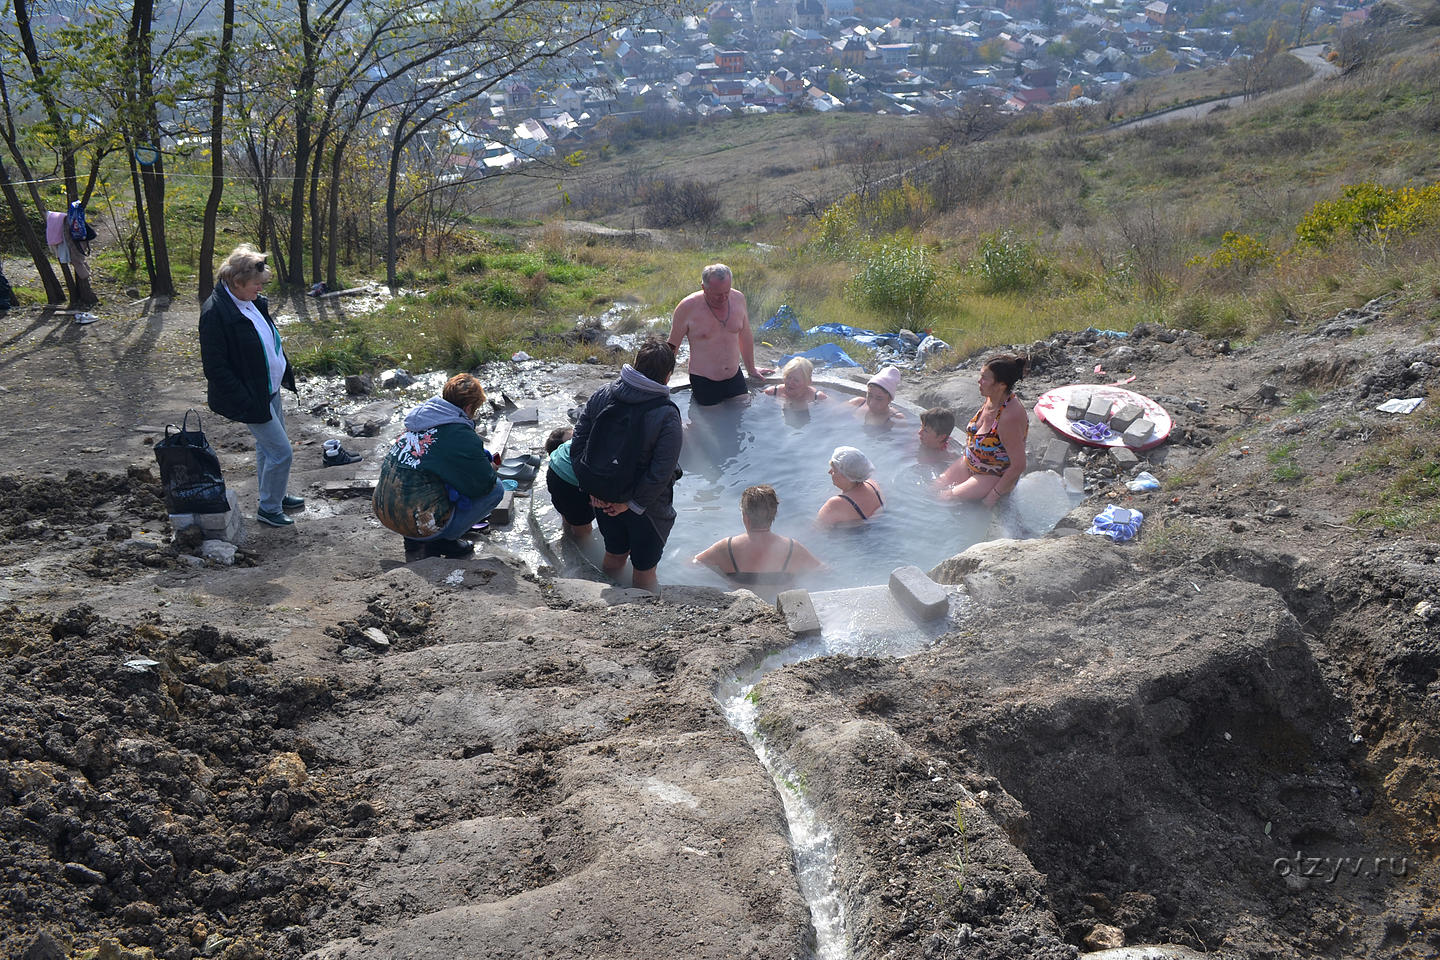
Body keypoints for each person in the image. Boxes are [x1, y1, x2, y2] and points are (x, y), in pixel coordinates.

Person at [198, 244, 304, 527]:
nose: (260, 289)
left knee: (266, 449)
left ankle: (274, 495)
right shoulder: (215, 314)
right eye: (256, 284)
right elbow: (216, 369)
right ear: (236, 282)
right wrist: (246, 401)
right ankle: (269, 509)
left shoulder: (250, 301)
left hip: (269, 390)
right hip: (252, 397)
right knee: (281, 452)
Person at [571, 338, 683, 592]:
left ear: (634, 364)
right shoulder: (667, 414)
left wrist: (591, 487)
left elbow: (578, 443)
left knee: (614, 555)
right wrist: (631, 504)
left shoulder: (603, 394)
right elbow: (661, 472)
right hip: (646, 509)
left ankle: (606, 600)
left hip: (602, 498)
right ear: (667, 377)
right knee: (644, 570)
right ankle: (641, 619)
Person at [372, 373, 504, 561]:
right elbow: (483, 485)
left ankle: (412, 539)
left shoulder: (421, 419)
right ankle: (442, 540)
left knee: (418, 478)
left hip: (384, 511)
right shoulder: (459, 433)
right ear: (468, 408)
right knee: (496, 489)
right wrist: (490, 468)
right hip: (416, 522)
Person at [667, 263, 772, 406]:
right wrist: (662, 379)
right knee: (711, 422)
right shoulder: (687, 308)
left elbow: (745, 335)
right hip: (704, 379)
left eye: (726, 292)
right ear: (704, 288)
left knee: (743, 411)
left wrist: (751, 368)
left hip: (733, 375)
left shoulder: (739, 299)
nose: (723, 298)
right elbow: (672, 346)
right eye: (717, 295)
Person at [936, 354, 1030, 507]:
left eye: (985, 378)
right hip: (971, 462)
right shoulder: (991, 398)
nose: (979, 381)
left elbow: (1019, 465)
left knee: (945, 499)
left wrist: (993, 495)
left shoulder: (1009, 417)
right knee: (933, 488)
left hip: (992, 475)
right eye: (980, 376)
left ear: (1002, 385)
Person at [694, 484, 823, 586]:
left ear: (745, 516)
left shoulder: (727, 547)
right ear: (773, 514)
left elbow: (695, 564)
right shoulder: (791, 548)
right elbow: (822, 571)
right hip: (781, 607)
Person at [817, 445, 885, 526]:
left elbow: (816, 531)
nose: (829, 472)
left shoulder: (835, 504)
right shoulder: (873, 484)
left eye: (834, 470)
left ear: (846, 476)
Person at [543, 426, 593, 536]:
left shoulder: (558, 458)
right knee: (583, 531)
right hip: (570, 485)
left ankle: (567, 536)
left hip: (555, 474)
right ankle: (579, 543)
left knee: (568, 515)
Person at [764, 356, 828, 406]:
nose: (790, 382)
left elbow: (835, 411)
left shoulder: (818, 397)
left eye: (796, 380)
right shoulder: (771, 392)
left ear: (808, 382)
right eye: (788, 377)